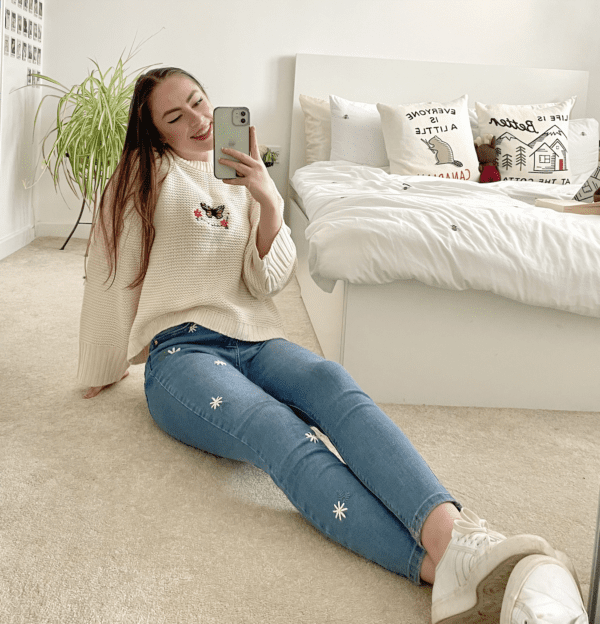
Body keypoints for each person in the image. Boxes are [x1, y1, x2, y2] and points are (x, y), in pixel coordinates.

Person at [78, 67, 587, 624]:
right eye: (175, 116)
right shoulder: (141, 175)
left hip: (255, 334)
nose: (199, 121)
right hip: (182, 353)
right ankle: (440, 571)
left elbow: (265, 281)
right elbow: (111, 272)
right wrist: (102, 365)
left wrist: (268, 199)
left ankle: (457, 540)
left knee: (334, 384)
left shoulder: (243, 174)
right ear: (155, 132)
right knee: (277, 428)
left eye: (200, 103)